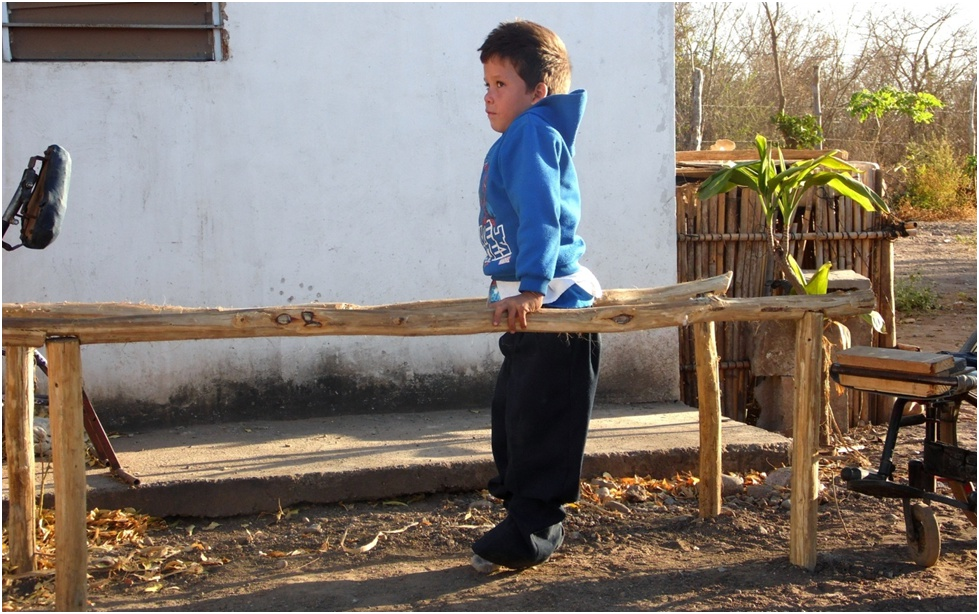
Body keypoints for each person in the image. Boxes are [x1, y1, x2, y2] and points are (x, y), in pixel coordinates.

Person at [472, 19, 602, 573]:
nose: (488, 96)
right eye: (486, 83)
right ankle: (521, 518)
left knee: (542, 418)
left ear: (537, 92)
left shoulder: (530, 135)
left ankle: (535, 530)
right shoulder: (519, 139)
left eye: (501, 84)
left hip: (554, 307)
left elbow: (542, 214)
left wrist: (528, 288)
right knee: (514, 413)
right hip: (533, 304)